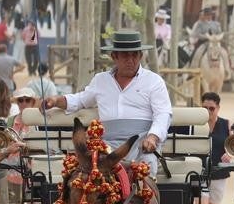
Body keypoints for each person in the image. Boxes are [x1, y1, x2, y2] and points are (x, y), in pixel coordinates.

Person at [41, 30, 172, 175]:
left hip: (142, 143)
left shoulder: (154, 81)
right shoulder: (100, 80)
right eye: (125, 55)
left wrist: (153, 137)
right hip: (107, 146)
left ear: (141, 55)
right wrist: (55, 101)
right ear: (114, 56)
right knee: (86, 175)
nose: (131, 59)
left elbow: (163, 113)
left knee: (147, 167)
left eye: (135, 54)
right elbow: (80, 100)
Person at [191, 91, 234, 204]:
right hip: (198, 171)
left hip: (218, 173)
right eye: (205, 108)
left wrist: (229, 154)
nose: (209, 111)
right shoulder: (194, 125)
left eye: (212, 108)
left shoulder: (226, 124)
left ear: (218, 108)